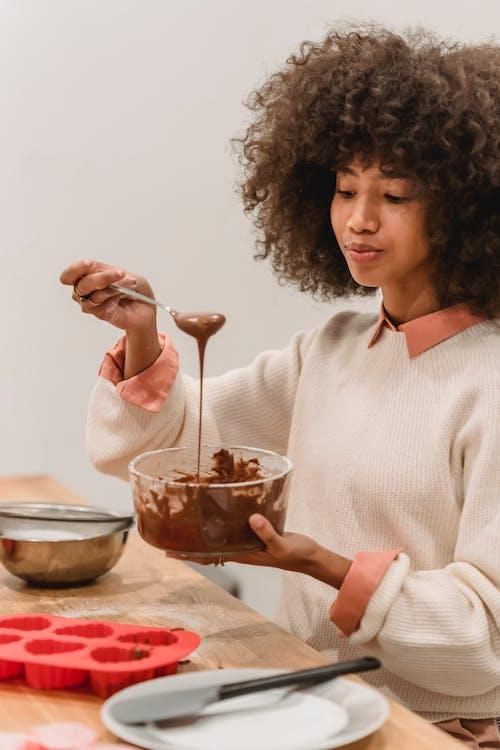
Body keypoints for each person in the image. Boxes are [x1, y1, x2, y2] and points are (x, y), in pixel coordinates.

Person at [60, 25, 500, 747]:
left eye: (394, 194)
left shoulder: (488, 386)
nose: (358, 220)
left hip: (439, 732)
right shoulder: (329, 352)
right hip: (311, 705)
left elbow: (485, 635)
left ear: (463, 209)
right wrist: (142, 334)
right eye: (344, 189)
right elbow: (174, 440)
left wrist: (322, 565)